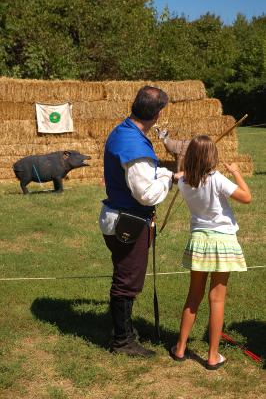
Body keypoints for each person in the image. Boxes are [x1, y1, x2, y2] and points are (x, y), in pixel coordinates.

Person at [99, 86, 180, 357]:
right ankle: (122, 341)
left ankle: (124, 332)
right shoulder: (133, 143)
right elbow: (146, 194)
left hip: (122, 217)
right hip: (128, 222)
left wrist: (165, 171)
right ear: (157, 114)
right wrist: (168, 178)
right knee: (127, 281)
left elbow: (145, 172)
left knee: (125, 276)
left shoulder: (125, 131)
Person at [170, 135, 251, 370]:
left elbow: (182, 176)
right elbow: (247, 197)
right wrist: (236, 172)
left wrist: (182, 172)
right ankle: (213, 356)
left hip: (199, 241)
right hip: (222, 242)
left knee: (193, 296)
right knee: (217, 299)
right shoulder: (217, 179)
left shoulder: (185, 182)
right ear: (212, 157)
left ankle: (181, 348)